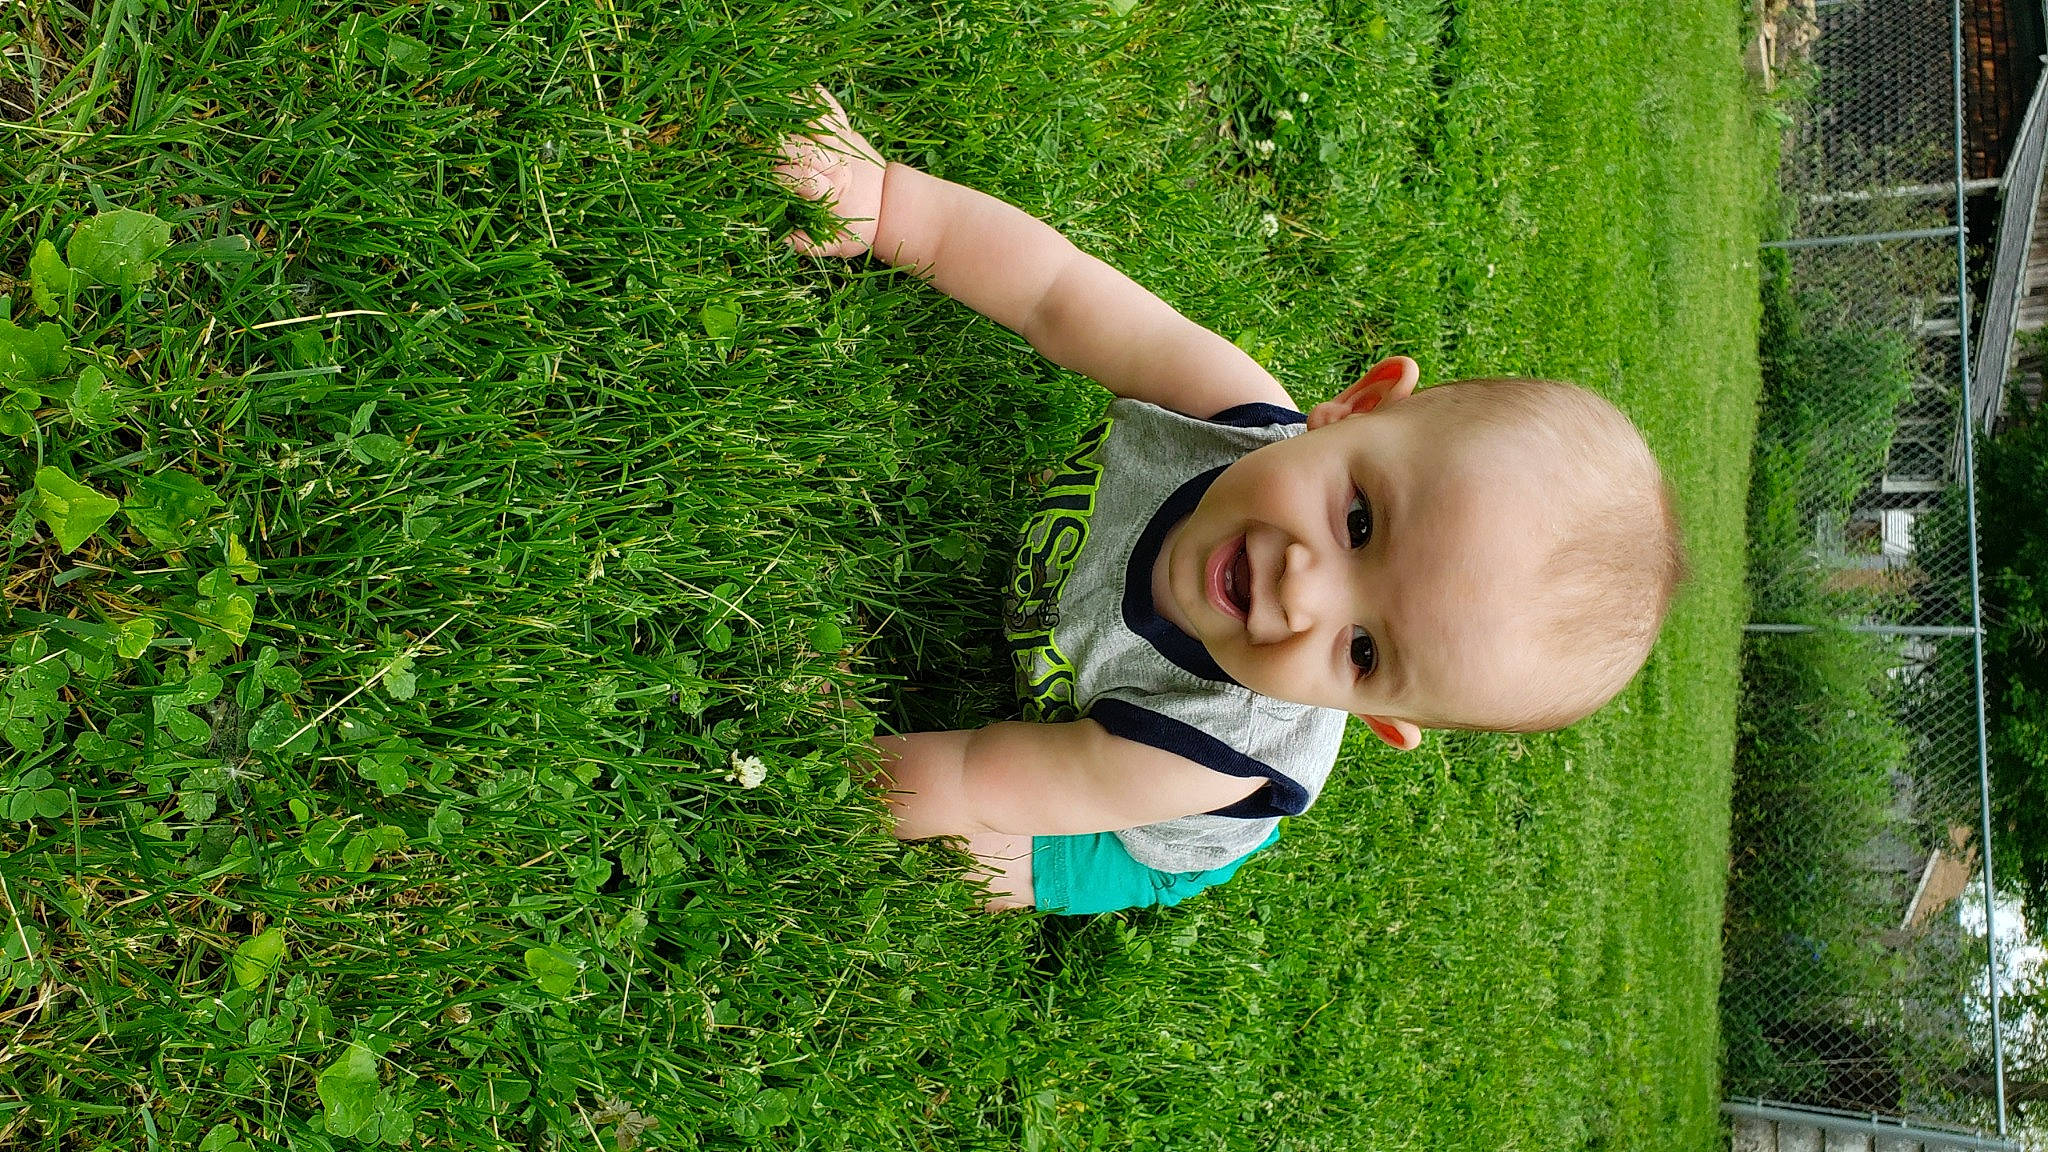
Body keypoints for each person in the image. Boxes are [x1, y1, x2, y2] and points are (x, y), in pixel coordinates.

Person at [773, 88, 1684, 915]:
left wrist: (804, 774)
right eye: (1359, 522)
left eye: (1363, 651)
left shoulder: (1206, 745)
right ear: (1358, 408)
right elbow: (1055, 291)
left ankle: (1055, 873)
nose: (1301, 591)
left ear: (1371, 714)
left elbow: (977, 774)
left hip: (1136, 829)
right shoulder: (1231, 416)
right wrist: (886, 206)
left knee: (978, 852)